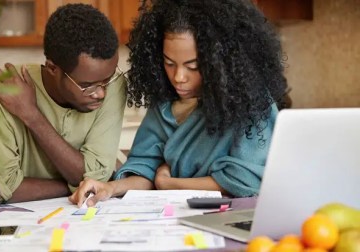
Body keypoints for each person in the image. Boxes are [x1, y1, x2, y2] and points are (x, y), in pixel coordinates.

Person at [69, 0, 288, 207]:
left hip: (231, 217)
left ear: (220, 61)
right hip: (173, 219)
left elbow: (246, 181)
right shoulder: (164, 105)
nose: (178, 77)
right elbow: (145, 169)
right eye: (169, 63)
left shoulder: (250, 103)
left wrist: (169, 183)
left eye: (193, 66)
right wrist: (109, 188)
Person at [0, 3, 126, 203]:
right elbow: (3, 188)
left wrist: (32, 116)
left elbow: (98, 178)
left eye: (107, 80)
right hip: (23, 229)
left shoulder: (115, 86)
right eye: (87, 85)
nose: (101, 93)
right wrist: (79, 184)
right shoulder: (10, 89)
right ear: (52, 68)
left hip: (92, 219)